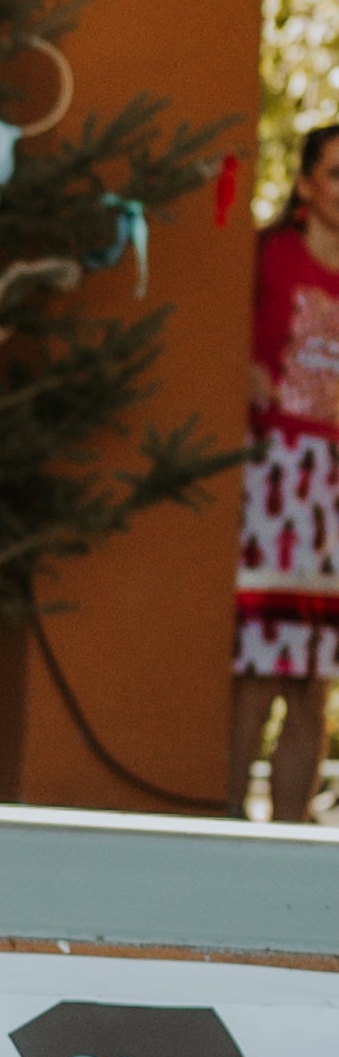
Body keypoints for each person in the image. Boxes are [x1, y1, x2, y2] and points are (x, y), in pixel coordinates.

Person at [230, 121, 339, 818]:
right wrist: (240, 371)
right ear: (305, 184)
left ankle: (292, 838)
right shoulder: (269, 256)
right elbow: (220, 333)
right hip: (272, 479)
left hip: (335, 491)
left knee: (313, 678)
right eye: (336, 173)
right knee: (259, 667)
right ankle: (226, 824)